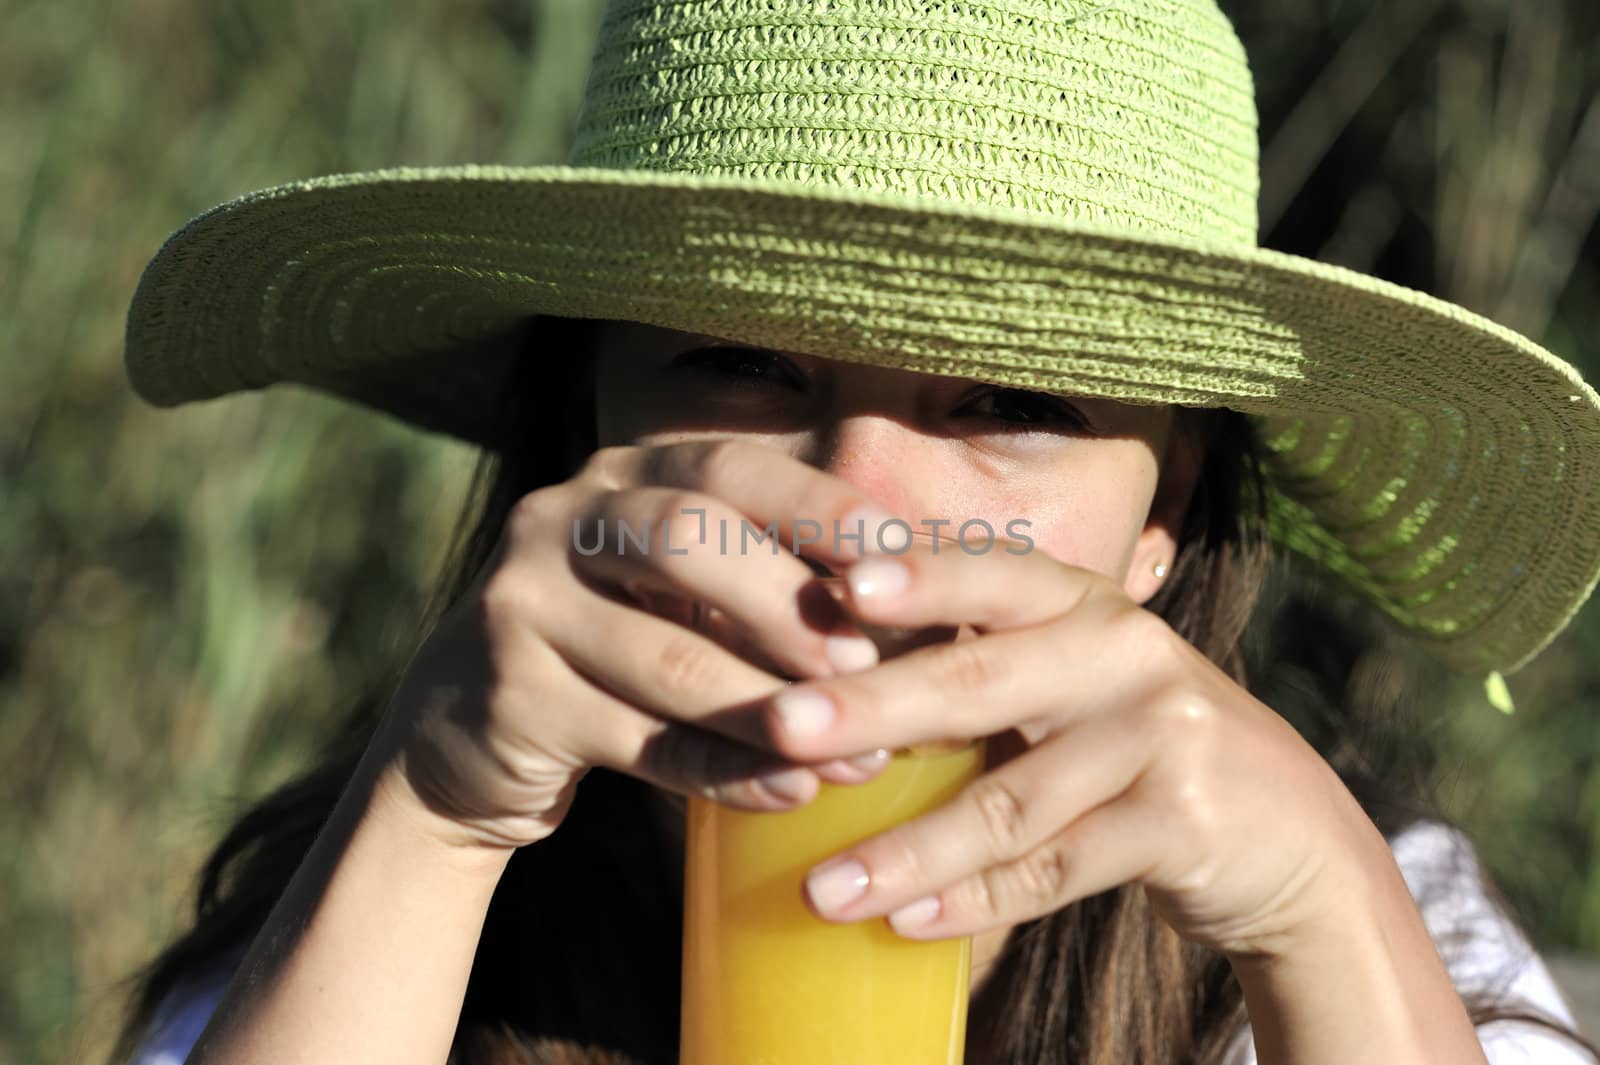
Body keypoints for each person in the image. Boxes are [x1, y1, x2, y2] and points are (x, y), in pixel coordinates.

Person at [109, 0, 1600, 1063]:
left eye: (1016, 400)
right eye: (747, 364)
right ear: (584, 435)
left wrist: (1326, 917)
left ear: (1168, 518)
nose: (862, 508)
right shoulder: (359, 928)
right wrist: (428, 824)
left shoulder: (1355, 934)